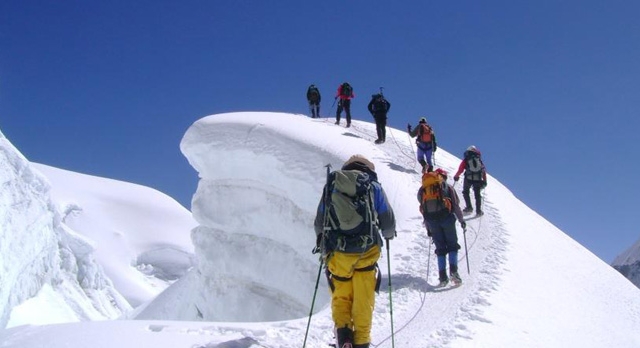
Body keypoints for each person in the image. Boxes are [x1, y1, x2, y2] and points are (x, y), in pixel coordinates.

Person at [313, 154, 396, 348]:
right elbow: (388, 221)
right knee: (363, 300)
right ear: (369, 170)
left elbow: (319, 222)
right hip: (366, 253)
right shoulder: (373, 187)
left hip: (338, 255)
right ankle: (362, 342)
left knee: (341, 296)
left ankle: (344, 337)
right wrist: (388, 235)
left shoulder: (333, 185)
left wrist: (322, 244)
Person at [418, 168, 466, 286]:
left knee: (440, 249)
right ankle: (454, 272)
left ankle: (442, 277)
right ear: (443, 176)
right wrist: (461, 220)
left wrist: (429, 228)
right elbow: (455, 205)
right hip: (447, 219)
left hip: (432, 222)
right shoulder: (447, 187)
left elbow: (423, 209)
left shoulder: (423, 189)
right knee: (452, 246)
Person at [453, 145, 487, 216]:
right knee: (477, 195)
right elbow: (483, 171)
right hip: (477, 179)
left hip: (468, 178)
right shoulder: (478, 159)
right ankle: (478, 211)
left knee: (466, 192)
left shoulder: (466, 159)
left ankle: (469, 207)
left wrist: (456, 176)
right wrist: (484, 181)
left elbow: (460, 169)